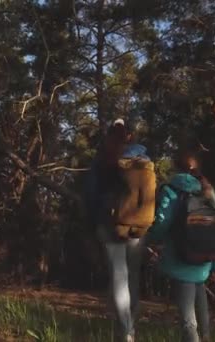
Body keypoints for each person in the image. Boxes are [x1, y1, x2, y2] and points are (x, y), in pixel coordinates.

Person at [83, 118, 153, 342]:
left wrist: (94, 222)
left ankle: (126, 331)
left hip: (109, 223)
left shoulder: (102, 158)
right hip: (139, 225)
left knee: (119, 276)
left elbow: (91, 195)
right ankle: (131, 325)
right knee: (132, 276)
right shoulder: (143, 159)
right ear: (129, 135)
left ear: (109, 134)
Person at [146, 150, 215, 342]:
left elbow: (162, 223)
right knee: (201, 306)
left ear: (176, 167)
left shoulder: (171, 190)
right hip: (204, 261)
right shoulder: (207, 190)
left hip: (181, 259)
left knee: (188, 321)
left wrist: (151, 238)